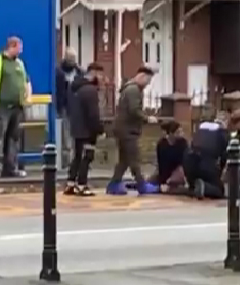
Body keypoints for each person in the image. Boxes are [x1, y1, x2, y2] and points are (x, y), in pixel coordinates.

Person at [0, 36, 32, 179]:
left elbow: (27, 81)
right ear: (12, 46)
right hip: (0, 106)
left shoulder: (19, 63)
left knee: (13, 138)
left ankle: (11, 167)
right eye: (19, 47)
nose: (21, 51)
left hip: (17, 106)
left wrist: (28, 96)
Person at [106, 66, 160, 195]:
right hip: (128, 130)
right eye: (147, 80)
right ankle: (141, 185)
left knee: (124, 160)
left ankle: (114, 184)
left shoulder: (130, 88)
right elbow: (134, 110)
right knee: (134, 158)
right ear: (141, 77)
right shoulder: (133, 90)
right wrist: (147, 118)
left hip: (123, 129)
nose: (148, 84)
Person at [63, 63, 104, 196]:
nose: (102, 78)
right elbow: (93, 114)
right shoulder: (90, 90)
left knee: (77, 157)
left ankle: (70, 183)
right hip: (87, 130)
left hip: (76, 127)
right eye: (100, 74)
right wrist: (99, 130)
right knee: (87, 157)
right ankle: (82, 184)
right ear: (94, 73)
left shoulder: (74, 87)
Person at [183, 114, 229, 200]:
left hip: (190, 165)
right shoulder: (222, 133)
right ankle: (205, 188)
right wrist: (221, 171)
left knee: (196, 182)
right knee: (219, 190)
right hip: (207, 165)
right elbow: (225, 155)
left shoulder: (200, 130)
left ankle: (195, 187)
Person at [56, 47, 83, 164]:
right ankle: (67, 161)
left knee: (77, 134)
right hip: (64, 106)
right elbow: (58, 90)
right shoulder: (58, 72)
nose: (72, 62)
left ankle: (77, 159)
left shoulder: (79, 72)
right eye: (70, 59)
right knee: (66, 134)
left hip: (77, 107)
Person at [150, 120, 188, 193]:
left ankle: (169, 184)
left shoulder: (183, 143)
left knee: (179, 172)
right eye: (178, 132)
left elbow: (183, 164)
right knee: (149, 181)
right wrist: (163, 179)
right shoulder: (162, 144)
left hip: (178, 171)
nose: (181, 134)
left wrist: (170, 180)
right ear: (171, 133)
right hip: (166, 171)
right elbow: (161, 163)